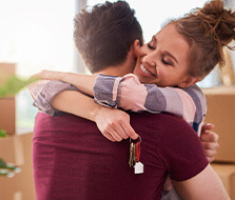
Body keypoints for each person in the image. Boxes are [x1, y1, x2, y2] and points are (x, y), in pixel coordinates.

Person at [31, 0, 231, 199]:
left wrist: (60, 77)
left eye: (166, 60)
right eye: (151, 45)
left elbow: (124, 92)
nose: (148, 58)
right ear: (136, 47)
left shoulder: (45, 113)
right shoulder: (168, 129)